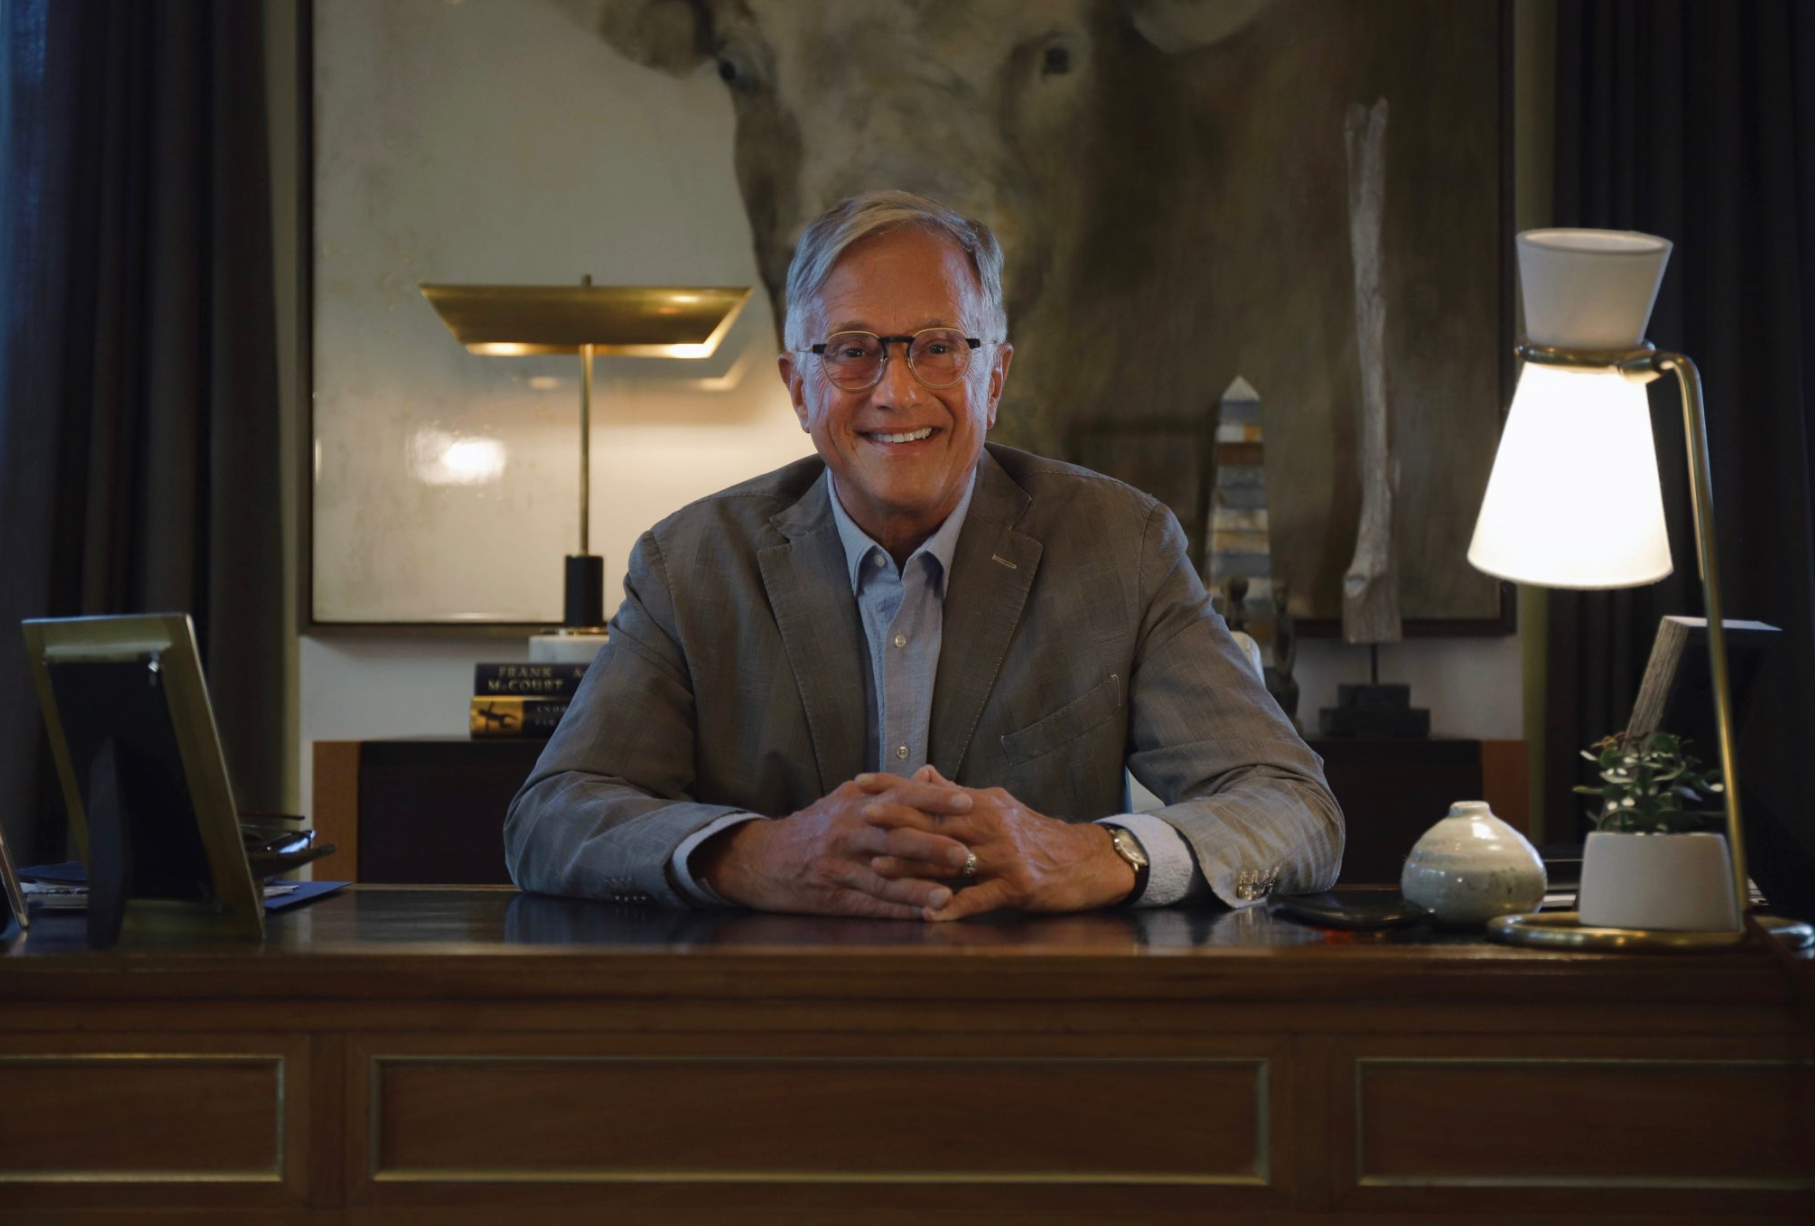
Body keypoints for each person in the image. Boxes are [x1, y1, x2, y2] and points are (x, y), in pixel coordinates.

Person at [504, 190, 1342, 920]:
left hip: (1045, 1023)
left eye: (938, 346)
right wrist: (755, 856)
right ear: (800, 388)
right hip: (765, 1022)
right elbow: (554, 817)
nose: (896, 391)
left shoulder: (1120, 547)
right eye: (853, 349)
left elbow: (1293, 807)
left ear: (995, 377)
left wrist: (1091, 857)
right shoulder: (692, 563)